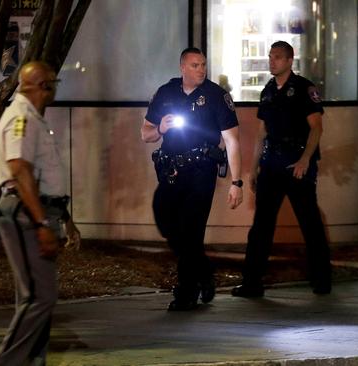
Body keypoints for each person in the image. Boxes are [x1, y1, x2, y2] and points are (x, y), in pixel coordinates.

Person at [0, 61, 80, 365]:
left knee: (37, 298)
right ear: (42, 85)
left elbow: (45, 177)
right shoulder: (21, 118)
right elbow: (20, 171)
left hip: (39, 211)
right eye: (53, 82)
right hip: (27, 213)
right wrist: (41, 222)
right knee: (39, 298)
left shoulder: (35, 118)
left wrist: (64, 220)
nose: (55, 88)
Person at [141, 47, 243, 311]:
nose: (201, 69)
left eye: (203, 65)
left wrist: (237, 182)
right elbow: (146, 133)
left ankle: (186, 292)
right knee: (166, 222)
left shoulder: (216, 96)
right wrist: (161, 127)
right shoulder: (166, 92)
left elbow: (232, 140)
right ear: (182, 67)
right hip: (171, 171)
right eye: (195, 65)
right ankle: (204, 270)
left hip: (201, 171)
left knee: (191, 230)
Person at [231, 41, 331, 297]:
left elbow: (316, 127)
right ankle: (252, 283)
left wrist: (305, 159)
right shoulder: (268, 90)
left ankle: (322, 280)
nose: (271, 61)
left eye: (277, 57)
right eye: (270, 56)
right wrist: (253, 169)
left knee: (309, 223)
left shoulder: (303, 88)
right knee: (261, 226)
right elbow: (262, 133)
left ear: (289, 60)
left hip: (296, 163)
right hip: (272, 165)